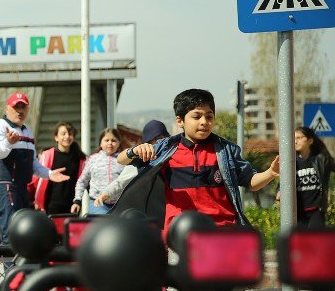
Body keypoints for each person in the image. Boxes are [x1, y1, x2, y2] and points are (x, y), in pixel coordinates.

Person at [115, 88, 280, 236]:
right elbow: (122, 160)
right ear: (180, 121)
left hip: (222, 232)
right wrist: (134, 151)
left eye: (209, 117)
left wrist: (271, 172)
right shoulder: (165, 149)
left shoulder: (226, 150)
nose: (204, 122)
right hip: (179, 234)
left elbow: (251, 182)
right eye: (196, 116)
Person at [0, 92, 69, 245]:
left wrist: (49, 174)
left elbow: (33, 163)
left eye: (23, 106)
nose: (20, 110)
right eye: (16, 106)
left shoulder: (28, 130)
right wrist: (8, 142)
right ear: (7, 108)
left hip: (22, 186)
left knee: (24, 232)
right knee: (11, 232)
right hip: (5, 186)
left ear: (28, 109)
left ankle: (23, 268)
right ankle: (11, 269)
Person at [96, 120, 169, 208]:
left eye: (162, 137)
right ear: (147, 141)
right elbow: (121, 181)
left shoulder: (173, 155)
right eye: (155, 139)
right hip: (149, 208)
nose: (159, 142)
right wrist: (105, 194)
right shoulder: (140, 160)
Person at [31, 121, 86, 215]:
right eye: (63, 134)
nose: (67, 136)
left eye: (70, 133)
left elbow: (82, 182)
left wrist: (77, 202)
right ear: (56, 137)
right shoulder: (47, 155)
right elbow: (36, 179)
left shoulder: (79, 158)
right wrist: (35, 201)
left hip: (71, 206)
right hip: (50, 204)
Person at [72, 128, 124, 216]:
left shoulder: (123, 160)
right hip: (97, 203)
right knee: (105, 221)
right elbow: (82, 181)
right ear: (100, 143)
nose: (110, 143)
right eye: (106, 140)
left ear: (119, 143)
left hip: (119, 204)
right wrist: (77, 200)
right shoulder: (93, 159)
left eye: (113, 140)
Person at [294, 125, 333, 229]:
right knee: (300, 243)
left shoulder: (322, 159)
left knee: (316, 241)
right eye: (294, 138)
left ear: (310, 140)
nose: (296, 141)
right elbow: (282, 182)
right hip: (298, 211)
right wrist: (279, 191)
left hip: (317, 210)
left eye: (299, 138)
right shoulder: (292, 162)